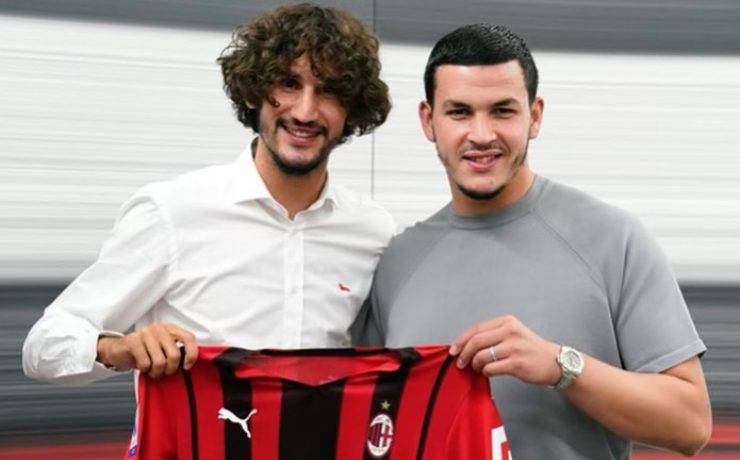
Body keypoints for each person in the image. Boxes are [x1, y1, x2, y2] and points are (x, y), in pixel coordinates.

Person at [357, 24, 712, 458]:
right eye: (460, 112)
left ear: (535, 115)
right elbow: (371, 423)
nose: (481, 134)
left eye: (502, 111)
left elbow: (690, 424)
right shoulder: (396, 263)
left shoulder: (613, 241)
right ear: (428, 121)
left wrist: (561, 366)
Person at [23, 2, 394, 386]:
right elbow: (43, 345)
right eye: (288, 83)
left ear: (351, 109)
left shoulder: (372, 231)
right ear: (254, 91)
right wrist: (116, 348)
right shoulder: (171, 212)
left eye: (329, 91)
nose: (305, 111)